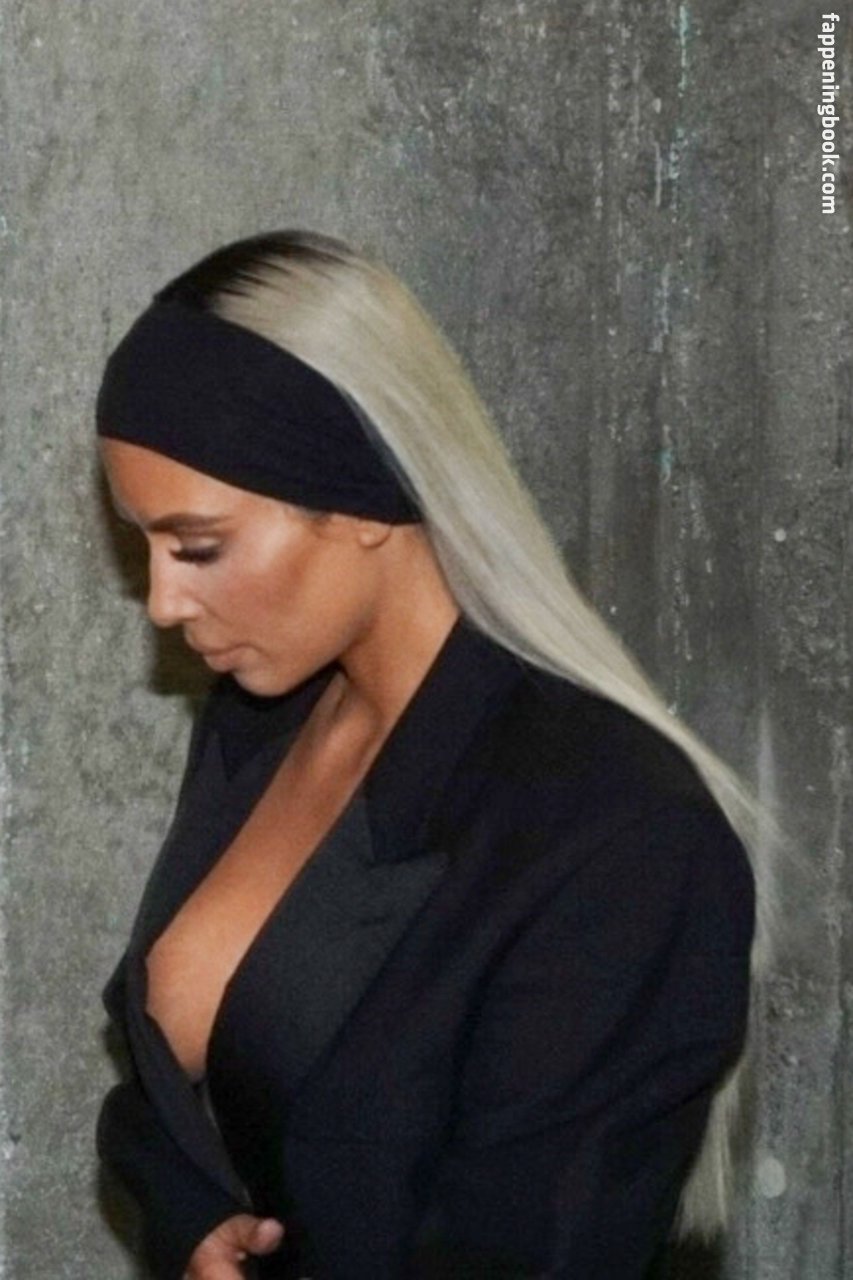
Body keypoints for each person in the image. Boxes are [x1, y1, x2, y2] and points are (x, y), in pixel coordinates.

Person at [93, 229, 776, 1280]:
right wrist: (188, 1214)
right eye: (145, 543)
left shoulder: (621, 838)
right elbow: (166, 1053)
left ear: (359, 499)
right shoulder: (264, 716)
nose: (165, 600)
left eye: (198, 546)